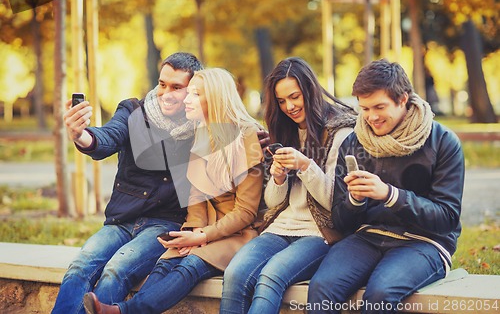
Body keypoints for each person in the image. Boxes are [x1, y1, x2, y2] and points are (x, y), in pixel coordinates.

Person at [82, 68, 265, 314]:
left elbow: (245, 212)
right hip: (202, 228)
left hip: (237, 233)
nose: (186, 100)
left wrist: (203, 237)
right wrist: (191, 233)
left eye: (195, 95)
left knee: (190, 265)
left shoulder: (246, 138)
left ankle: (121, 311)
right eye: (188, 93)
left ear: (215, 99)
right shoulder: (199, 137)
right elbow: (196, 201)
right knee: (165, 262)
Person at [308, 59, 464, 314]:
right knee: (322, 287)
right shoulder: (354, 142)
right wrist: (355, 200)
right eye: (365, 109)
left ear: (403, 99)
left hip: (425, 242)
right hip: (368, 236)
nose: (372, 117)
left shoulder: (444, 141)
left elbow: (446, 218)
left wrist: (390, 195)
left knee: (380, 293)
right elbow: (341, 221)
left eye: (379, 107)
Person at [52, 52, 203, 314]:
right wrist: (81, 135)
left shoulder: (201, 125)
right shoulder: (134, 110)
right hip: (123, 218)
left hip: (165, 223)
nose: (165, 93)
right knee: (80, 267)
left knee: (115, 270)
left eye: (177, 87)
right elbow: (108, 137)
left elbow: (233, 133)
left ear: (193, 90)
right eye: (162, 84)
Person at [220, 57, 357, 314]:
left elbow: (334, 203)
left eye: (295, 97)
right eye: (282, 101)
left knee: (270, 277)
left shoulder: (341, 133)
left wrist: (306, 166)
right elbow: (274, 202)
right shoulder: (287, 130)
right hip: (281, 227)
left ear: (310, 90)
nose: (289, 107)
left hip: (320, 233)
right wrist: (279, 177)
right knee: (235, 273)